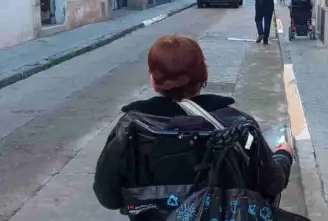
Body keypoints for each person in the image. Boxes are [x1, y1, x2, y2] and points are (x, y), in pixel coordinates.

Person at [93, 35, 294, 210]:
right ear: (204, 76)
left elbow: (109, 198)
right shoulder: (238, 125)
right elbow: (271, 185)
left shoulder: (131, 129)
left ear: (154, 81)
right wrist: (283, 154)